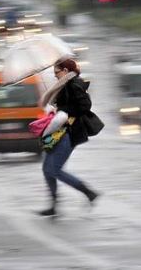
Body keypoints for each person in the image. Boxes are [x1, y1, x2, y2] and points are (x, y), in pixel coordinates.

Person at [37, 58, 99, 216]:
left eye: (57, 72)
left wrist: (65, 112)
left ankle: (88, 192)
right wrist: (58, 110)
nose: (55, 76)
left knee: (55, 170)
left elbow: (85, 105)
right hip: (58, 130)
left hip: (69, 133)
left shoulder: (74, 84)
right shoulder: (63, 85)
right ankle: (53, 205)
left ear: (65, 71)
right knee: (47, 169)